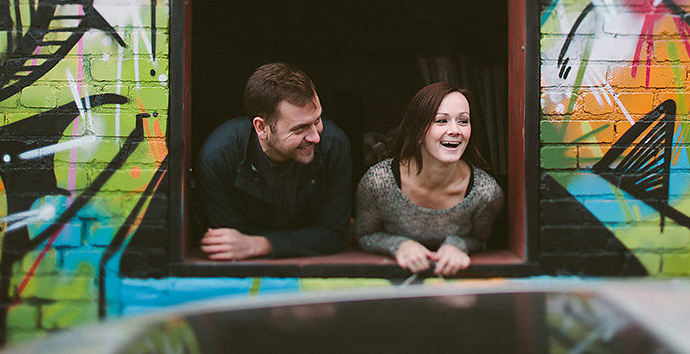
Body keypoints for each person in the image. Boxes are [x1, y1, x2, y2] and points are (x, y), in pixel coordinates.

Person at [196, 62, 351, 260]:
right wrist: (307, 239)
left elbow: (334, 234)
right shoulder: (219, 156)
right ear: (261, 128)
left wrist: (261, 244)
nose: (316, 137)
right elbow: (228, 242)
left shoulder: (334, 145)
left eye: (318, 120)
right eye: (299, 128)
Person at [354, 82, 503, 276]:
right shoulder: (378, 182)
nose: (455, 130)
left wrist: (458, 245)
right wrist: (400, 245)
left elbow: (481, 239)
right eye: (441, 121)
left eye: (463, 121)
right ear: (418, 131)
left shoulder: (486, 193)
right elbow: (365, 235)